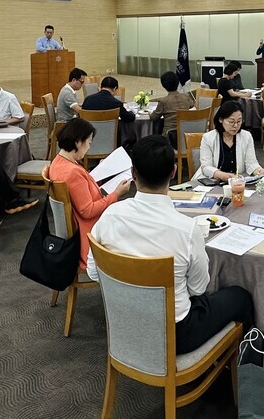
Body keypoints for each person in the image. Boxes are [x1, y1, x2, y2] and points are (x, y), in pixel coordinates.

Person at [88, 135, 254, 355]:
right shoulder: (186, 229)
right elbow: (198, 289)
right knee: (240, 297)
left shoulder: (110, 215)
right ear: (174, 172)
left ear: (132, 174)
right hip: (176, 334)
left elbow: (93, 272)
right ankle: (239, 371)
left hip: (124, 323)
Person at [43, 118, 131, 269]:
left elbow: (80, 190)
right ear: (78, 142)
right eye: (89, 143)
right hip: (90, 232)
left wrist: (101, 174)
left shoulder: (58, 162)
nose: (89, 148)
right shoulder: (73, 172)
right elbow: (87, 211)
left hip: (78, 231)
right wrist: (116, 194)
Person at [194, 101, 264, 180]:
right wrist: (223, 176)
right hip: (213, 182)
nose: (235, 126)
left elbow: (251, 163)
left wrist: (260, 171)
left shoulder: (246, 136)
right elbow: (206, 167)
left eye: (239, 121)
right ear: (221, 120)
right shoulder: (208, 138)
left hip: (237, 182)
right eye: (231, 122)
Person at [150, 71, 196, 146]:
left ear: (163, 85)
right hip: (186, 135)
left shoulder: (163, 102)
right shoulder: (186, 97)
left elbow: (153, 118)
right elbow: (192, 105)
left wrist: (148, 113)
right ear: (178, 83)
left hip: (169, 137)